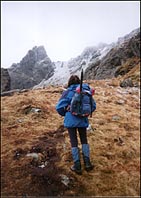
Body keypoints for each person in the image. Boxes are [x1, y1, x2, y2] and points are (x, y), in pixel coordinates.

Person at [56, 75, 96, 174]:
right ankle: (87, 163)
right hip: (83, 119)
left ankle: (77, 166)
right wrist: (84, 112)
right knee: (84, 140)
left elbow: (59, 107)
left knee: (74, 141)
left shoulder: (67, 92)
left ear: (69, 83)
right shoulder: (86, 91)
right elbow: (93, 106)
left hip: (71, 120)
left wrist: (65, 111)